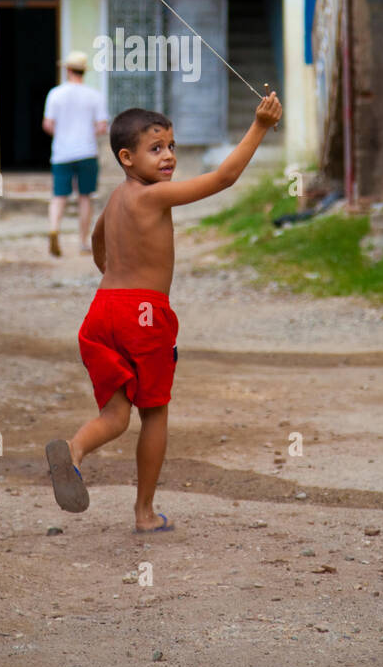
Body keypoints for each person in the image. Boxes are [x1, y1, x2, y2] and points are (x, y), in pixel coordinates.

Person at [45, 89, 283, 532]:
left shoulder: (117, 199)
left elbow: (98, 242)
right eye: (156, 149)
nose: (168, 156)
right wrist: (261, 127)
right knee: (154, 412)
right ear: (126, 157)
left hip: (102, 312)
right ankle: (144, 513)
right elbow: (225, 178)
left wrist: (113, 271)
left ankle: (74, 452)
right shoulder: (154, 197)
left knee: (114, 417)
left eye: (171, 146)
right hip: (144, 315)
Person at [42, 50, 109, 258]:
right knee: (85, 197)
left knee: (58, 196)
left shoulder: (55, 94)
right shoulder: (95, 95)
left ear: (68, 70)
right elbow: (101, 127)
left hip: (62, 152)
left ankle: (54, 230)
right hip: (87, 152)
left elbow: (48, 124)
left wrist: (61, 134)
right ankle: (82, 242)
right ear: (83, 71)